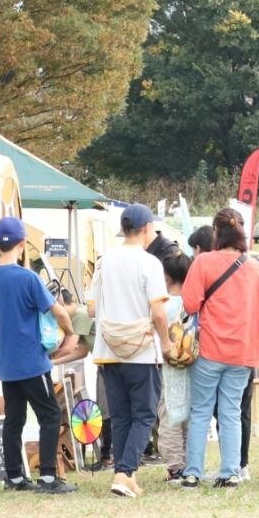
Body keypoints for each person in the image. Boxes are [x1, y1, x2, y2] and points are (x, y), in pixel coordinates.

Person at [0, 217, 77, 494]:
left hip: (7, 361)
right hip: (32, 361)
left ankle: (13, 477)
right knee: (50, 414)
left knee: (14, 418)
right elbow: (58, 312)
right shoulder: (28, 278)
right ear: (23, 243)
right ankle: (48, 477)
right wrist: (70, 333)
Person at [179, 209, 259, 489]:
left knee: (201, 411)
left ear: (216, 232)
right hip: (242, 352)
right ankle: (230, 472)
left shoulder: (204, 262)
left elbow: (189, 304)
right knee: (231, 412)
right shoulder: (256, 268)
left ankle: (192, 472)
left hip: (209, 348)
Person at [89, 203, 171, 499]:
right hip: (141, 351)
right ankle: (125, 473)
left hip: (109, 350)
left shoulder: (104, 261)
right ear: (147, 228)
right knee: (145, 415)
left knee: (121, 415)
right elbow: (158, 312)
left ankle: (125, 476)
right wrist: (166, 342)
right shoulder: (150, 263)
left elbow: (91, 307)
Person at [156, 252, 192, 481]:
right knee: (189, 417)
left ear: (167, 277)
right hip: (192, 365)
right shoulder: (193, 305)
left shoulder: (163, 307)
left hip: (168, 366)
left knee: (169, 416)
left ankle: (175, 467)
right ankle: (189, 464)